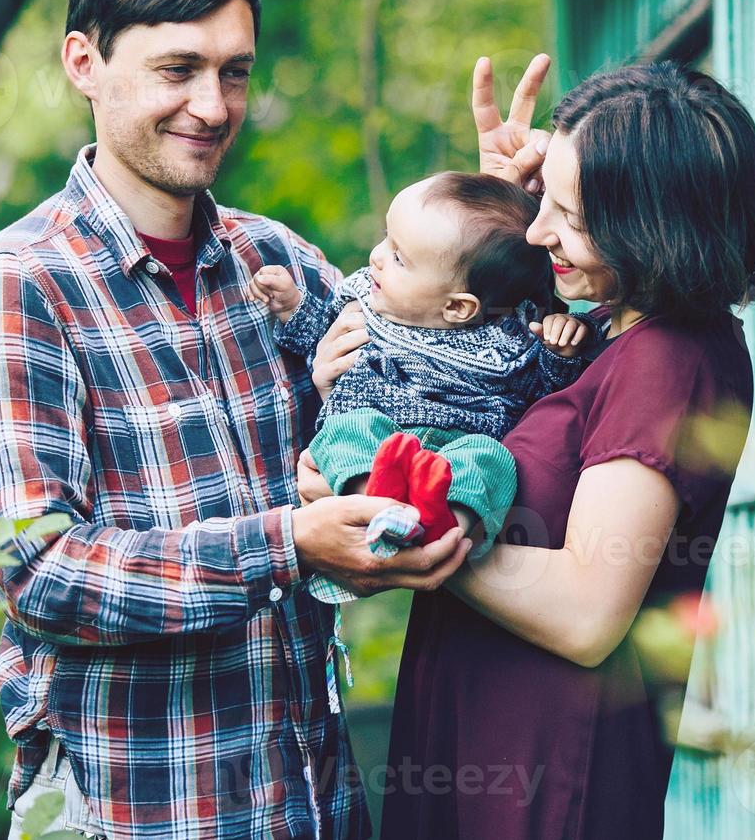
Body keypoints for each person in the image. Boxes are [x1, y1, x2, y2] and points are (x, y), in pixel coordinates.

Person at [0, 0, 474, 840]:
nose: (215, 104)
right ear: (83, 63)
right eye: (177, 69)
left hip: (313, 805)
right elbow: (42, 570)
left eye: (234, 71)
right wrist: (289, 545)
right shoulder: (19, 285)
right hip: (139, 814)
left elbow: (436, 385)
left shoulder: (275, 260)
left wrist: (499, 243)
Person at [300, 59, 755, 839]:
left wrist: (408, 528)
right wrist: (497, 222)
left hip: (546, 782)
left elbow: (584, 611)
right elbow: (476, 364)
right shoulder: (604, 331)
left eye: (569, 215)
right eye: (544, 203)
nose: (539, 231)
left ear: (650, 225)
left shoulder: (666, 361)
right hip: (494, 751)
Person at [251, 170, 596, 597]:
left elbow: (540, 395)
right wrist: (292, 309)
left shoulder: (515, 337)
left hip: (454, 451)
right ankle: (375, 505)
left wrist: (559, 354)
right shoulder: (364, 301)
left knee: (491, 459)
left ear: (457, 307)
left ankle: (444, 524)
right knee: (345, 429)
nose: (377, 257)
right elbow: (321, 336)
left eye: (399, 258)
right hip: (378, 433)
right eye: (386, 239)